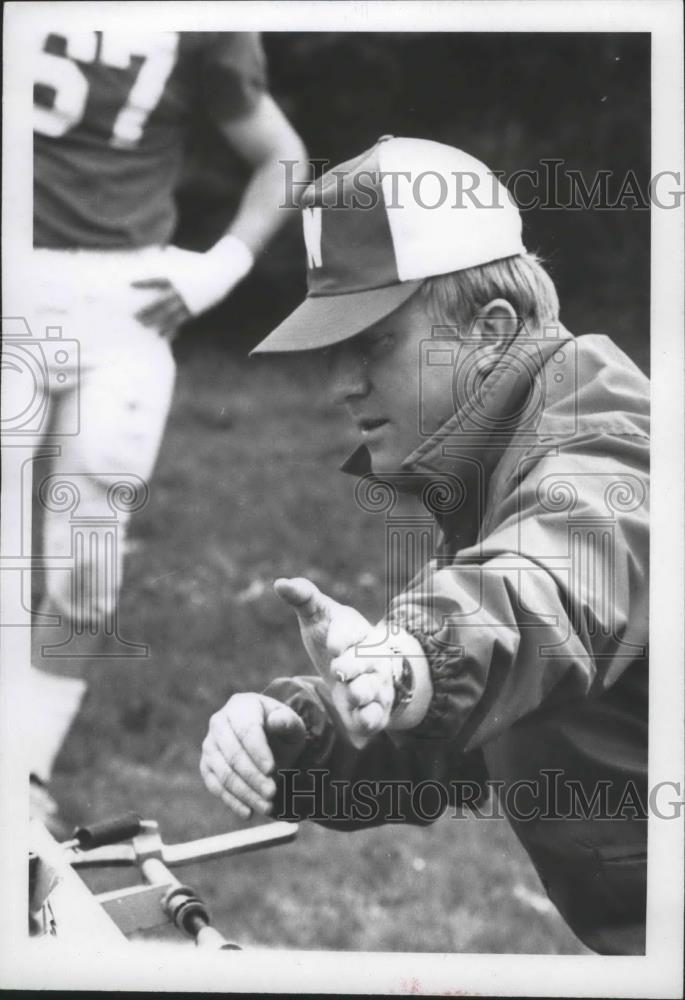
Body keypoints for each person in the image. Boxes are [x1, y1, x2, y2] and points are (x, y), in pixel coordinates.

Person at [200, 136, 649, 955]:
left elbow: (552, 585)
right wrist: (303, 733)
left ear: (490, 330)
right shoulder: (494, 465)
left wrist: (413, 657)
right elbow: (464, 739)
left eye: (372, 342)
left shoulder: (613, 445)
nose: (340, 382)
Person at [27, 27, 308, 820]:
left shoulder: (201, 22)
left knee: (87, 558)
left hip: (122, 303)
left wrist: (216, 269)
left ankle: (23, 769)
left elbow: (280, 156)